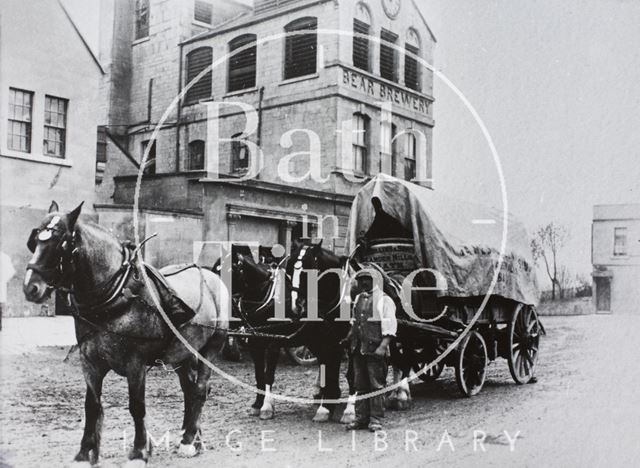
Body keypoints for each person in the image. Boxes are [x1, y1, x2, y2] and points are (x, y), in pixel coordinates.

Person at [344, 270, 397, 432]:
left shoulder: (384, 300)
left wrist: (383, 346)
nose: (364, 283)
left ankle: (375, 419)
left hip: (375, 349)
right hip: (358, 349)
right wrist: (349, 338)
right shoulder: (359, 298)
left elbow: (390, 326)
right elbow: (355, 322)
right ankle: (361, 418)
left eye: (367, 280)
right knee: (360, 384)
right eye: (361, 280)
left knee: (376, 385)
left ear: (375, 281)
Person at [1, 251, 16, 331]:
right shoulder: (5, 257)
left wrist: (4, 280)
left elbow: (11, 271)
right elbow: (11, 271)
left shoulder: (4, 257)